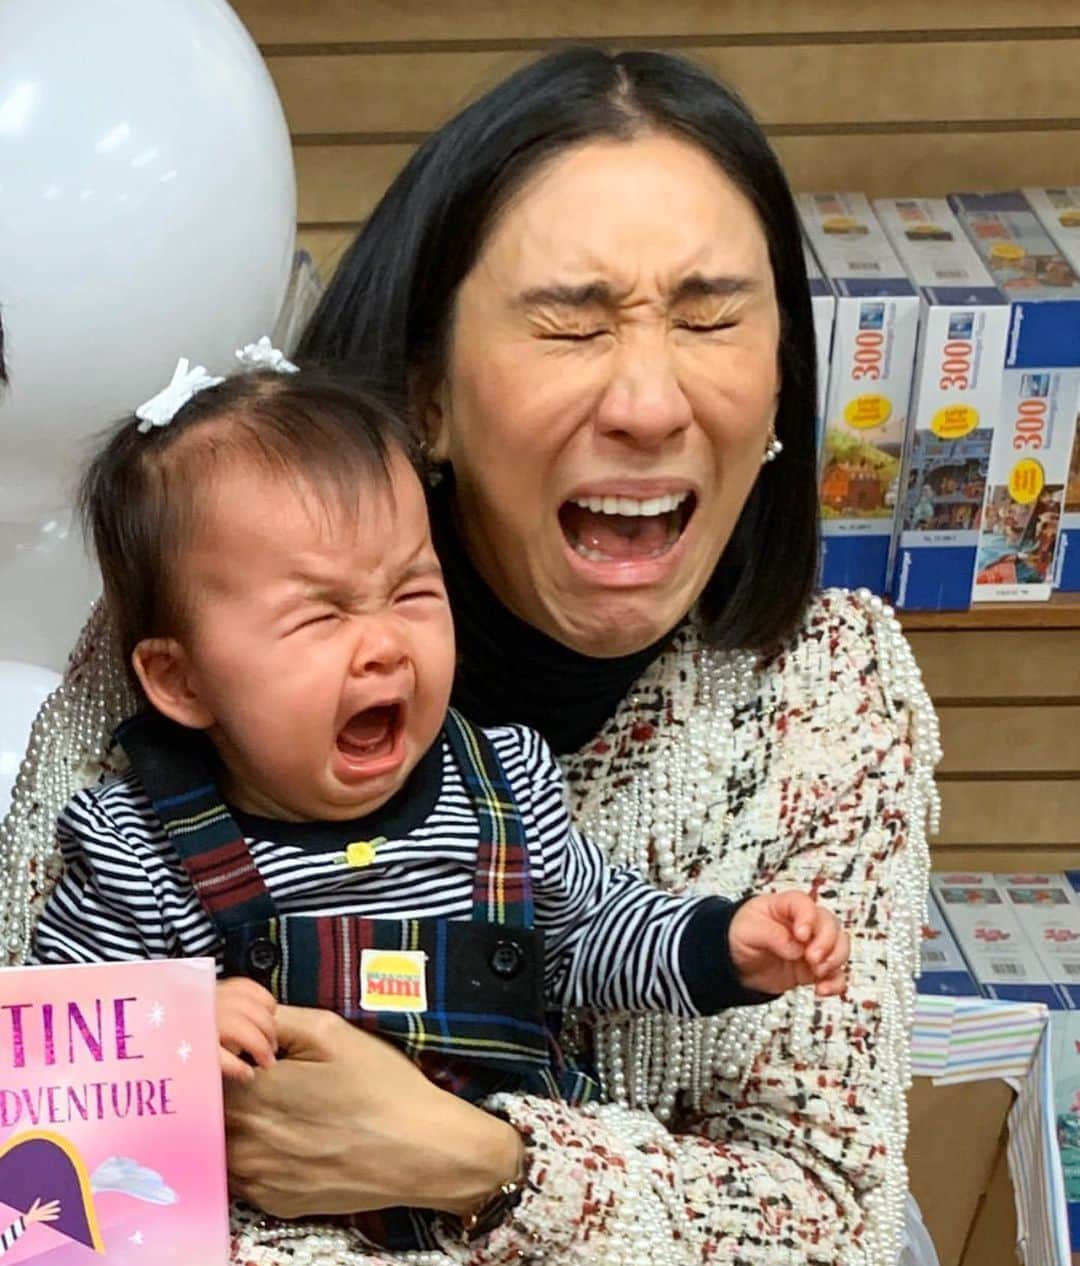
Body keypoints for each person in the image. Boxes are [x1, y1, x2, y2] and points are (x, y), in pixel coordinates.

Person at [0, 47, 940, 1266]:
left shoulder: (814, 696)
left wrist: (469, 1156)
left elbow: (823, 1252)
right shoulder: (177, 660)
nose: (651, 399)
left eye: (713, 315)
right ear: (431, 393)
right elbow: (48, 1214)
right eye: (572, 318)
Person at [31, 355, 848, 1222]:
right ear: (181, 679)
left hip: (503, 1228)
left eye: (412, 590)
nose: (384, 646)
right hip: (286, 1252)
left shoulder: (502, 788)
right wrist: (172, 1028)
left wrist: (723, 946)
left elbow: (593, 937)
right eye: (321, 614)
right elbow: (59, 1058)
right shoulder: (140, 848)